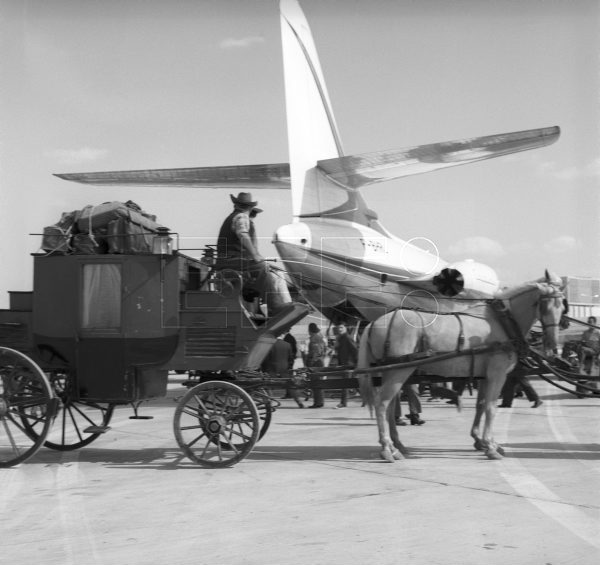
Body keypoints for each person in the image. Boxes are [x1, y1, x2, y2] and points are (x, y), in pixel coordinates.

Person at [216, 192, 291, 314]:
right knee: (262, 267)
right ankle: (276, 306)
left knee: (271, 271)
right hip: (230, 260)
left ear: (236, 204)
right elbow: (243, 234)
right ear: (250, 209)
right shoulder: (241, 217)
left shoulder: (234, 217)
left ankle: (278, 305)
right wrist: (256, 255)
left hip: (229, 260)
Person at [262, 336, 304, 408]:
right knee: (291, 386)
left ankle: (269, 403)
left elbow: (266, 359)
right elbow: (291, 359)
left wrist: (264, 370)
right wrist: (288, 368)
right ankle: (298, 401)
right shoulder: (287, 345)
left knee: (266, 386)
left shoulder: (269, 345)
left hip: (272, 370)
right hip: (284, 370)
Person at [333, 322, 358, 408]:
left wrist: (356, 362)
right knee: (352, 383)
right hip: (344, 363)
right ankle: (366, 399)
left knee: (345, 383)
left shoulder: (347, 337)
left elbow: (355, 350)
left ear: (345, 328)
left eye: (341, 328)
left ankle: (343, 403)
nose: (339, 329)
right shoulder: (340, 338)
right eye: (338, 328)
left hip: (348, 364)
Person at [306, 322, 327, 408]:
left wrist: (310, 364)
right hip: (320, 362)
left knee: (315, 383)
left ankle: (317, 403)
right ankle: (320, 402)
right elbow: (324, 350)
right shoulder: (320, 338)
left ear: (310, 330)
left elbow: (315, 353)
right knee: (319, 383)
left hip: (315, 364)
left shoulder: (314, 339)